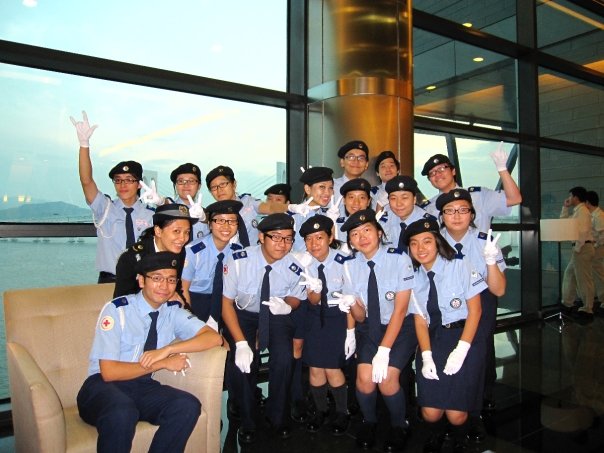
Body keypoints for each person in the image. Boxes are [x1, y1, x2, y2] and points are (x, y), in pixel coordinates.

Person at [76, 252, 223, 453]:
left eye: (171, 280)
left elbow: (213, 338)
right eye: (157, 278)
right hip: (100, 388)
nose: (164, 286)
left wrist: (168, 350)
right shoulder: (117, 310)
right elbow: (109, 372)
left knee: (187, 406)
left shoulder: (172, 312)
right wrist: (162, 363)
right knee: (123, 411)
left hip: (142, 387)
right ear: (141, 280)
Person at [404, 218, 488, 452]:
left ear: (438, 242)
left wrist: (461, 350)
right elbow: (420, 320)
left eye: (427, 241)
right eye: (414, 243)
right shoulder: (413, 278)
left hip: (465, 337)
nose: (420, 248)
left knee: (456, 415)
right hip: (434, 340)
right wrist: (426, 356)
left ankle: (459, 438)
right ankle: (437, 434)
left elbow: (476, 311)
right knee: (430, 414)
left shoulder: (460, 265)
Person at [221, 213, 306, 444]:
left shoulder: (294, 267)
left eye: (288, 239)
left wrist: (288, 306)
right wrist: (240, 343)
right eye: (275, 237)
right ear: (261, 237)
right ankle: (247, 420)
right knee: (242, 363)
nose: (282, 244)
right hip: (244, 314)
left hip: (276, 313)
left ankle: (277, 416)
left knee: (285, 358)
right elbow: (226, 304)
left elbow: (297, 297)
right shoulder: (239, 260)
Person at [337, 208, 416, 452]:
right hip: (370, 326)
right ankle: (369, 421)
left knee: (387, 379)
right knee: (364, 380)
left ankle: (399, 424)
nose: (361, 237)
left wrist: (384, 350)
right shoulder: (349, 266)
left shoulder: (399, 259)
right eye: (355, 234)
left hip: (401, 327)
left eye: (367, 230)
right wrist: (351, 307)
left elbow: (400, 310)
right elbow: (360, 315)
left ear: (379, 232)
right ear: (350, 241)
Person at [436, 188, 506, 441]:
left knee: (476, 361)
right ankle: (445, 409)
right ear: (441, 216)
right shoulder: (432, 242)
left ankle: (473, 414)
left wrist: (490, 262)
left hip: (480, 304)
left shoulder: (485, 241)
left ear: (472, 214)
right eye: (449, 211)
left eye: (462, 210)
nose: (456, 216)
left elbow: (499, 289)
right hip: (443, 307)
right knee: (443, 358)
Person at [71, 111, 154, 283]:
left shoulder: (151, 214)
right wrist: (84, 145)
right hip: (110, 281)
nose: (123, 185)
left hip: (142, 282)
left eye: (129, 180)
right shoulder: (104, 208)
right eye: (118, 180)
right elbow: (86, 181)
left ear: (139, 184)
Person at [297, 214, 354, 436]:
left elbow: (352, 300)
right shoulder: (305, 263)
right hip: (314, 316)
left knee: (332, 367)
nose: (314, 244)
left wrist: (350, 332)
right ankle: (321, 410)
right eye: (309, 239)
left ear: (330, 237)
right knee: (315, 367)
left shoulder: (345, 262)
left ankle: (342, 411)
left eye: (319, 237)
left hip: (338, 316)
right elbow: (312, 300)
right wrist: (316, 290)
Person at [420, 142, 522, 232]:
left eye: (442, 169)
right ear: (430, 180)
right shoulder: (427, 209)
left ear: (453, 171)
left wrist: (502, 168)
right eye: (432, 173)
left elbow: (515, 199)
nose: (437, 174)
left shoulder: (480, 196)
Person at [205, 165, 311, 248]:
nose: (219, 190)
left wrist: (290, 207)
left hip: (255, 257)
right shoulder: (211, 214)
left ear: (234, 184)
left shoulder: (248, 202)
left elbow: (269, 207)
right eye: (214, 187)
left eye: (223, 184)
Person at [113, 204, 197, 299]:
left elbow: (176, 287)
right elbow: (122, 300)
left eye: (187, 232)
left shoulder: (179, 251)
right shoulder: (131, 258)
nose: (183, 239)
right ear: (158, 231)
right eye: (176, 231)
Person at [181, 199, 243, 330]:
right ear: (210, 225)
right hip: (196, 301)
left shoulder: (238, 251)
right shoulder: (194, 251)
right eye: (220, 221)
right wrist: (189, 318)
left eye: (232, 221)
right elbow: (183, 289)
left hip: (226, 301)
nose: (226, 226)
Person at [560, 186, 595, 318]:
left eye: (570, 196)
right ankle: (567, 303)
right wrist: (565, 207)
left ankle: (587, 309)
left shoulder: (583, 212)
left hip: (582, 248)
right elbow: (564, 224)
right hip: (580, 248)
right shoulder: (578, 211)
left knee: (583, 279)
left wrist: (577, 248)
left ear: (576, 197)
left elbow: (583, 231)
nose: (569, 199)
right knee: (570, 274)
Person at [382, 175, 434, 252]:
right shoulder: (383, 221)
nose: (399, 204)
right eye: (393, 198)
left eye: (404, 198)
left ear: (414, 199)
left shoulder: (428, 223)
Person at [165, 163, 208, 239]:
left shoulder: (204, 214)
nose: (186, 185)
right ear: (175, 185)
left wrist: (204, 218)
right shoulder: (167, 208)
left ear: (199, 186)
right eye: (181, 181)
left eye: (191, 181)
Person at [586, 191, 604, 311]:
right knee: (596, 274)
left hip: (598, 247)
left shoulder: (599, 216)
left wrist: (596, 246)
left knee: (599, 274)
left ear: (588, 202)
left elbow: (602, 235)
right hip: (594, 247)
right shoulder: (593, 215)